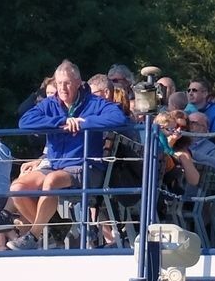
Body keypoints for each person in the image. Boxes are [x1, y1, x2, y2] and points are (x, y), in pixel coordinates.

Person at [9, 60, 129, 247]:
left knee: (52, 181)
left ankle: (33, 236)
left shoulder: (94, 103)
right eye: (59, 83)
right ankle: (56, 228)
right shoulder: (50, 104)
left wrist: (82, 123)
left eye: (67, 83)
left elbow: (118, 118)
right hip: (54, 165)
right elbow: (25, 121)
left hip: (86, 167)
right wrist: (62, 122)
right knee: (17, 188)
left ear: (79, 82)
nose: (62, 88)